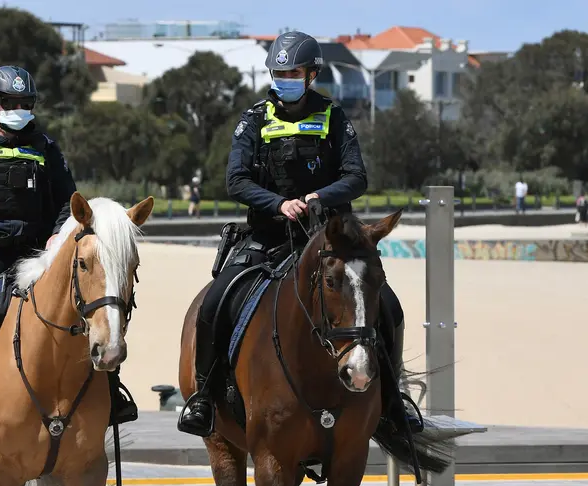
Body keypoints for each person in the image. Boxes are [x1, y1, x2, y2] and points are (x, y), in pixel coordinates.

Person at [177, 30, 419, 442]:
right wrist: (277, 203)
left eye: (293, 71)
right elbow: (235, 180)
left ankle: (393, 403)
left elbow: (356, 177)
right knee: (214, 302)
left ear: (311, 75)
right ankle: (203, 397)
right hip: (268, 237)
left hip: (331, 239)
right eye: (279, 71)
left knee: (390, 307)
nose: (284, 77)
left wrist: (318, 196)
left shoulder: (334, 116)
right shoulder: (253, 119)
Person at [0, 65, 138, 437]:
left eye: (26, 103)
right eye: (11, 102)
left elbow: (69, 204)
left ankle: (110, 394)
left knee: (94, 312)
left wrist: (55, 239)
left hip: (38, 257)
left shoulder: (46, 149)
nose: (20, 108)